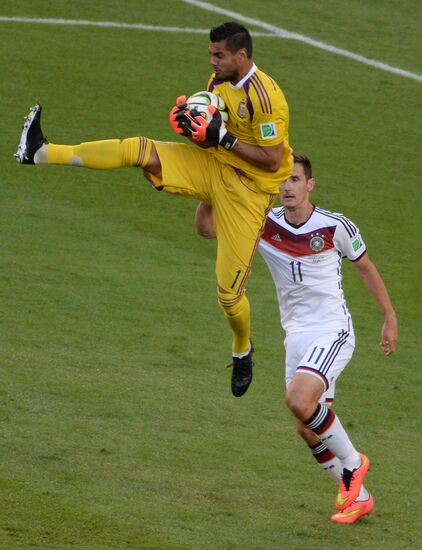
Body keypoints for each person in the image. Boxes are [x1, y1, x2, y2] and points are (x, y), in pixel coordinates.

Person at [15, 22, 293, 398]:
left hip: (249, 194)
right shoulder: (217, 84)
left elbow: (273, 161)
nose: (212, 61)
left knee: (228, 298)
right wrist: (192, 128)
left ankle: (242, 350)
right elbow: (213, 133)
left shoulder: (266, 96)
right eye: (211, 54)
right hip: (215, 168)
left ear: (241, 56)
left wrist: (221, 137)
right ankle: (41, 151)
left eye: (219, 55)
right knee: (139, 150)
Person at [194, 152, 398, 523]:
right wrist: (210, 188)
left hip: (332, 329)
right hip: (297, 336)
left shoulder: (335, 226)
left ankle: (354, 464)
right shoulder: (262, 221)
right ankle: (359, 497)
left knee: (298, 400)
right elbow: (207, 228)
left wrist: (389, 316)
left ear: (310, 185)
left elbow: (366, 268)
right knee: (307, 427)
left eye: (295, 180)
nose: (287, 187)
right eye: (282, 181)